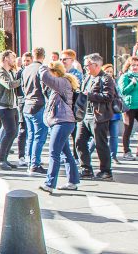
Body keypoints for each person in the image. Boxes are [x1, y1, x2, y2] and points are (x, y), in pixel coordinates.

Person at [38, 62, 81, 194]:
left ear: (55, 72)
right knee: (65, 153)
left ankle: (49, 184)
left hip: (62, 122)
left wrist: (41, 66)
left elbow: (45, 77)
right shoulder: (63, 82)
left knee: (54, 153)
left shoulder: (61, 82)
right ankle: (73, 181)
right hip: (63, 122)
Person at [77, 54, 118, 181]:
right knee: (79, 141)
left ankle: (106, 171)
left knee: (101, 144)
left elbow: (108, 96)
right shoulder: (87, 77)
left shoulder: (106, 78)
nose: (85, 67)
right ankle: (86, 169)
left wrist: (90, 95)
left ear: (96, 65)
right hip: (85, 116)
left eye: (87, 65)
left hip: (99, 116)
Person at [0, 50, 22, 170]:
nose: (14, 60)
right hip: (3, 106)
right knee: (10, 132)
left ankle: (5, 158)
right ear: (5, 59)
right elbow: (9, 85)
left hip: (12, 106)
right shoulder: (0, 72)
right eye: (12, 58)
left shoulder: (9, 72)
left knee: (13, 132)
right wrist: (23, 79)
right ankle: (0, 160)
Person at [21, 48, 49, 175]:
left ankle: (30, 160)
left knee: (31, 135)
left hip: (27, 104)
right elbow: (46, 88)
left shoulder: (26, 69)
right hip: (38, 104)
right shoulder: (42, 69)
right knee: (39, 135)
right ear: (43, 56)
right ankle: (35, 163)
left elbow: (22, 86)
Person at [118, 57, 138, 161]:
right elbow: (123, 91)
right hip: (129, 107)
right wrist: (132, 84)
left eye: (137, 65)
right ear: (128, 66)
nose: (135, 67)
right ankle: (126, 151)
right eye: (133, 65)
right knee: (128, 129)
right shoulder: (125, 77)